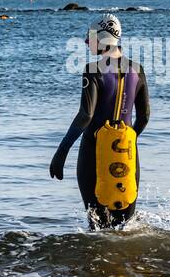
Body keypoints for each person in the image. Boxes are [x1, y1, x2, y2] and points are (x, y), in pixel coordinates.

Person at [50, 14, 150, 229]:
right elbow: (144, 117)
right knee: (126, 225)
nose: (87, 43)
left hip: (93, 152)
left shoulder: (93, 69)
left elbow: (86, 115)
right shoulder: (138, 69)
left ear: (103, 38)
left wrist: (61, 152)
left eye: (90, 37)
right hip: (128, 153)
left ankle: (97, 261)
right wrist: (124, 140)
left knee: (97, 226)